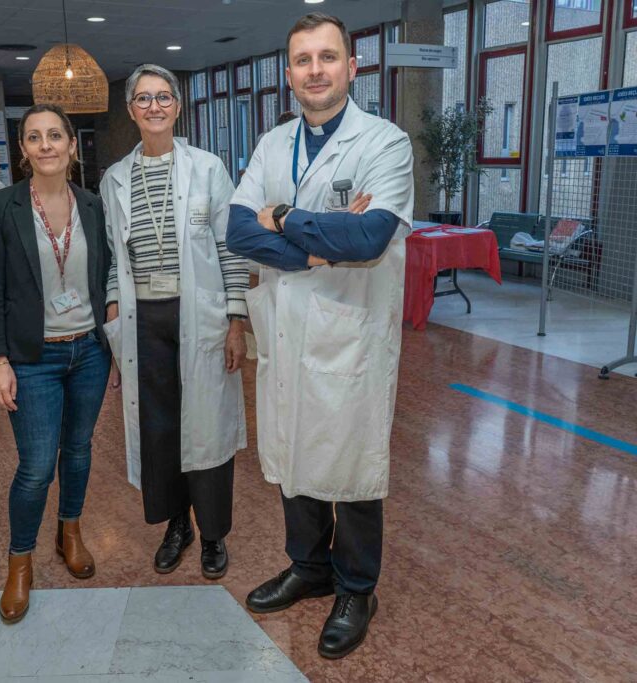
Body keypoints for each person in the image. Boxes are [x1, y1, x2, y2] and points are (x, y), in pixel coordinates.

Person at [227, 12, 414, 659]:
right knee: (293, 450)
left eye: (327, 57)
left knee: (352, 462)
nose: (315, 70)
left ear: (351, 67)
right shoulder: (272, 144)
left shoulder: (384, 143)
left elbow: (369, 237)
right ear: (289, 74)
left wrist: (281, 217)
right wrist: (316, 243)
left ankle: (357, 587)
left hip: (350, 332)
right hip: (286, 328)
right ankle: (308, 566)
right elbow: (237, 230)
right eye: (303, 60)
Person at [101, 64, 248, 580]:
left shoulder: (208, 168)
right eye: (143, 99)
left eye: (163, 97)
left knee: (206, 428)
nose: (154, 107)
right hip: (143, 321)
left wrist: (236, 320)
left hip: (200, 315)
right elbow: (114, 260)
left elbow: (231, 249)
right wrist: (115, 322)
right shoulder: (115, 178)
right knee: (159, 429)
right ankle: (177, 525)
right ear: (130, 110)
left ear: (178, 106)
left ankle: (213, 534)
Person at [0, 104, 112, 624]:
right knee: (35, 466)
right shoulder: (1, 207)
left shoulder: (93, 205)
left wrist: (115, 342)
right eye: (35, 137)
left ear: (72, 145)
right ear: (23, 150)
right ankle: (20, 562)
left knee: (77, 450)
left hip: (89, 351)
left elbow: (106, 277)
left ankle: (69, 532)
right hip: (32, 358)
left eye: (55, 135)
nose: (46, 144)